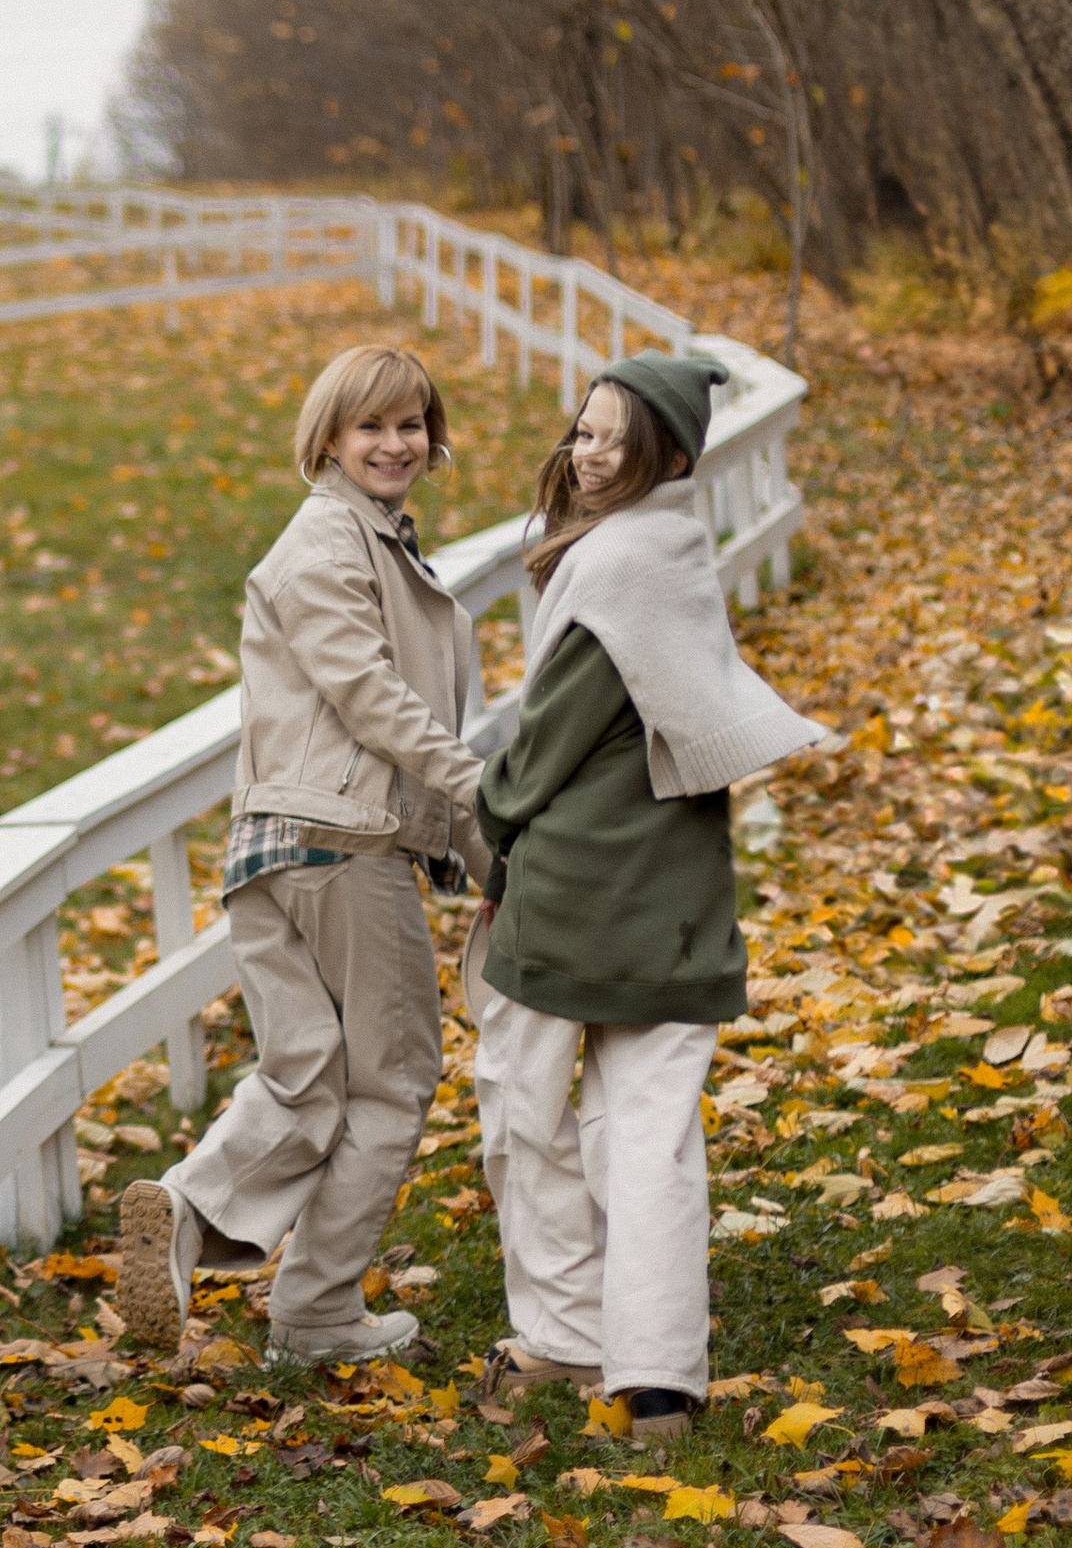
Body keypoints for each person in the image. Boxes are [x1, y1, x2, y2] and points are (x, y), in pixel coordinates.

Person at [470, 348, 828, 1445]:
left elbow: (544, 745)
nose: (587, 452)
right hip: (675, 892)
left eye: (613, 436)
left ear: (664, 452)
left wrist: (483, 829)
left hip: (574, 885)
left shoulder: (612, 563)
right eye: (581, 430)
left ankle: (566, 1332)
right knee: (652, 1132)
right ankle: (658, 1380)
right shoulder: (674, 549)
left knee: (522, 1110)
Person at [116, 341, 489, 1372]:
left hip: (270, 854)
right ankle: (317, 1313)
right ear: (327, 436)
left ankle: (184, 1218)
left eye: (411, 422)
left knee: (304, 1077)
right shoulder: (326, 545)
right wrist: (477, 787)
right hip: (339, 848)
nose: (395, 442)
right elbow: (370, 698)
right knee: (394, 1079)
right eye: (370, 424)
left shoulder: (369, 541)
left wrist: (482, 849)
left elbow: (385, 713)